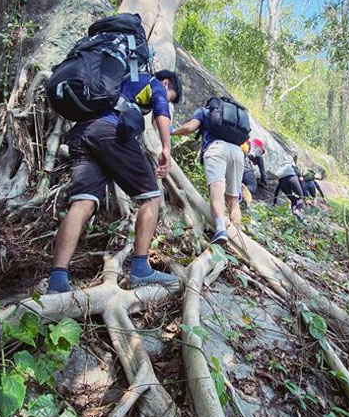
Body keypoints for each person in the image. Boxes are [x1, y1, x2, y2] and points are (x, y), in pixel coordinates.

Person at [46, 69, 183, 293]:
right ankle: (140, 269)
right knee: (152, 197)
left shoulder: (118, 75)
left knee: (82, 204)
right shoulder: (153, 82)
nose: (168, 100)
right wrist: (166, 148)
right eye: (171, 97)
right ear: (166, 82)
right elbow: (160, 108)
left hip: (81, 133)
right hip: (110, 131)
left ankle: (57, 281)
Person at [172, 99, 246, 245]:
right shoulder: (236, 118)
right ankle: (237, 237)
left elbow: (189, 128)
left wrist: (172, 131)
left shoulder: (205, 111)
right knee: (233, 199)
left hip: (216, 148)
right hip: (237, 152)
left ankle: (221, 230)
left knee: (216, 188)